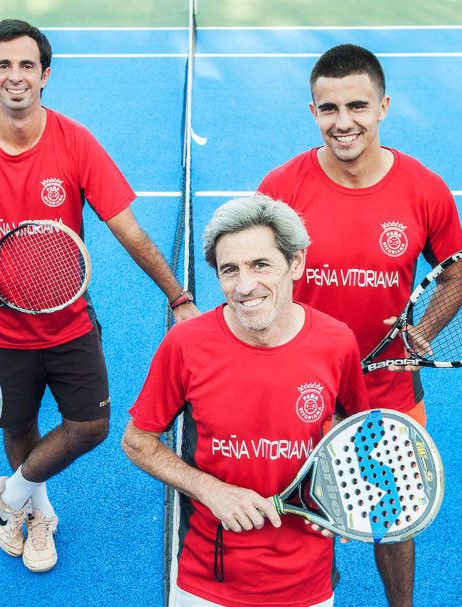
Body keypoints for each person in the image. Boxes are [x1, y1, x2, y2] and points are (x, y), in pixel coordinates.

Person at [0, 18, 199, 573]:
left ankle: (5, 498)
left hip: (69, 323)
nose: (16, 76)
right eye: (4, 66)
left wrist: (178, 296)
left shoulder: (74, 141)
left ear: (45, 75)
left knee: (92, 427)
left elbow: (126, 228)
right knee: (18, 428)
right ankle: (36, 515)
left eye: (27, 66)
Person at [256, 43, 462, 607]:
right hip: (300, 388)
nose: (343, 122)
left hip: (390, 389)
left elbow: (455, 278)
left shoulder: (424, 189)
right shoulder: (281, 189)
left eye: (357, 106)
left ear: (383, 107)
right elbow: (255, 282)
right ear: (313, 112)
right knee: (305, 521)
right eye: (329, 109)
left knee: (393, 524)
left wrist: (424, 333)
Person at [122, 195, 370, 607]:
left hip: (306, 582)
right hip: (208, 580)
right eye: (229, 270)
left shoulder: (336, 342)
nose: (244, 286)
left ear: (296, 264)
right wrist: (207, 488)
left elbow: (353, 429)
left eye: (260, 265)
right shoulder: (185, 344)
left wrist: (344, 493)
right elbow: (137, 440)